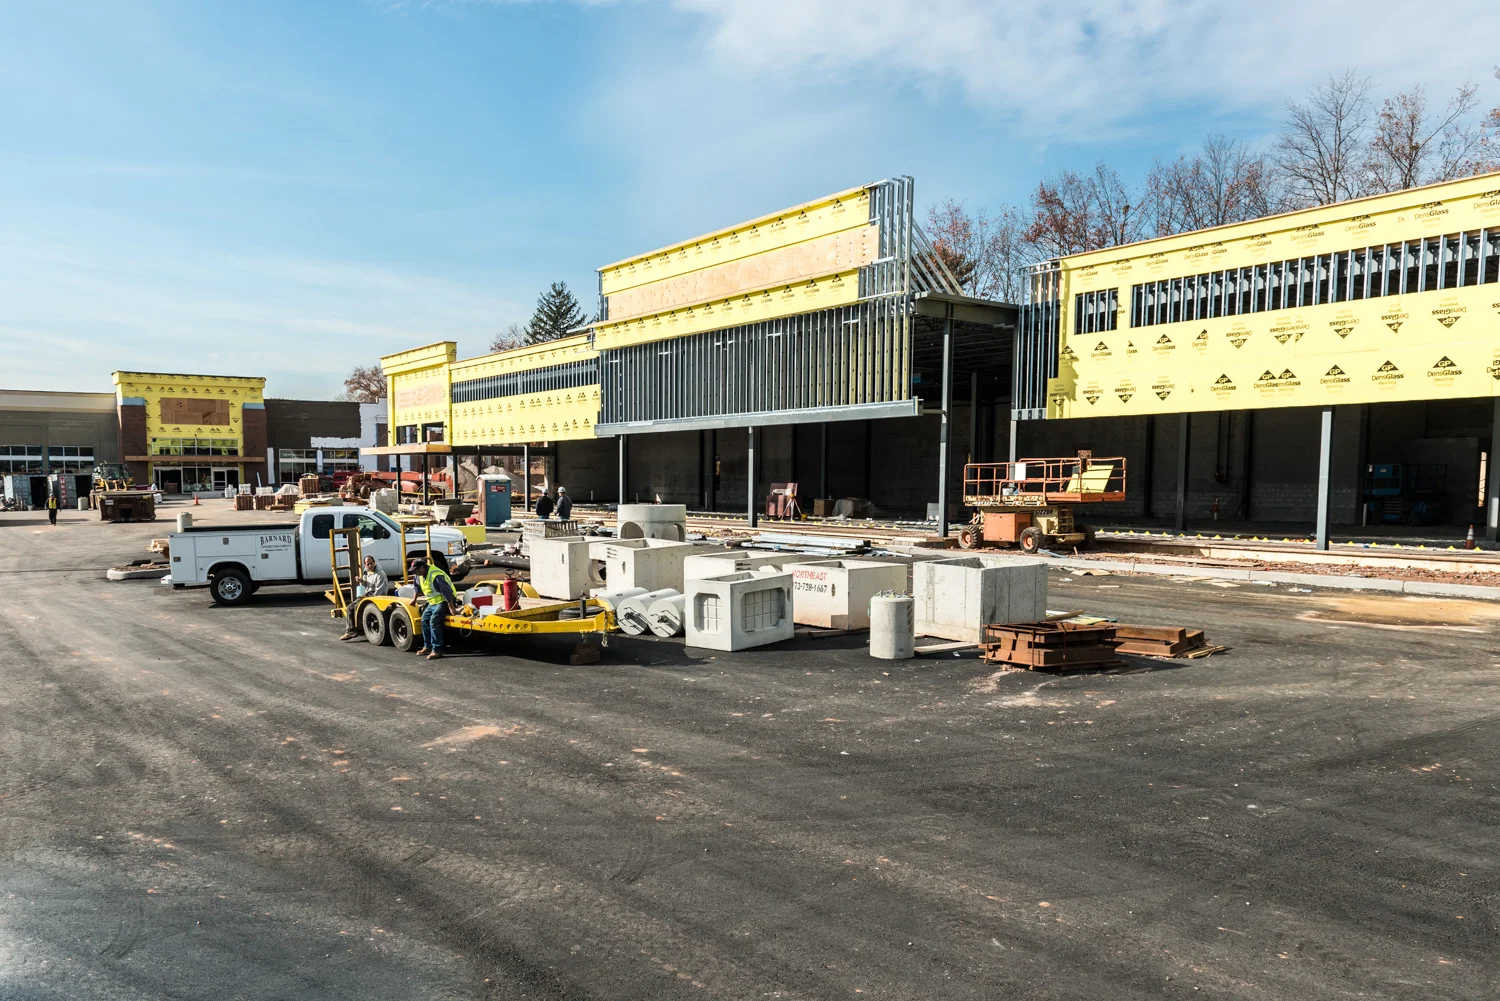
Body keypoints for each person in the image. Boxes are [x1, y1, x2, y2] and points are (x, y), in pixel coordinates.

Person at [409, 555, 460, 660]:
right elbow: (416, 587)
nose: (415, 573)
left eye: (416, 571)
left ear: (422, 568)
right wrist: (414, 600)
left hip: (444, 601)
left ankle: (437, 650)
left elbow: (447, 592)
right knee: (424, 620)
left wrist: (452, 608)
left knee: (434, 621)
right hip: (432, 602)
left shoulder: (435, 575)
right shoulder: (419, 575)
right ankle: (427, 646)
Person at [339, 555, 390, 641]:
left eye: (371, 564)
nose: (370, 566)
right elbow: (366, 584)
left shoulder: (380, 574)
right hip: (367, 595)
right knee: (350, 608)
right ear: (365, 565)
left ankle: (357, 630)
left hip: (376, 596)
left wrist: (368, 598)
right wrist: (361, 581)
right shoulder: (366, 571)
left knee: (357, 607)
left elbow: (380, 592)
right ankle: (351, 630)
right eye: (367, 564)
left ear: (374, 563)